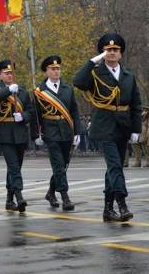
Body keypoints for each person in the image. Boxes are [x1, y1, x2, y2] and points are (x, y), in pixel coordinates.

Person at [73, 33, 142, 222]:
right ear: (103, 53)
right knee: (114, 165)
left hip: (123, 125)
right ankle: (122, 204)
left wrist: (136, 129)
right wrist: (91, 62)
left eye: (115, 50)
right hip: (104, 125)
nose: (112, 53)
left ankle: (107, 208)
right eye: (108, 50)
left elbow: (136, 103)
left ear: (121, 53)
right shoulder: (95, 73)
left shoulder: (128, 75)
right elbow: (77, 82)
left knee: (115, 167)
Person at [33, 55, 81, 211]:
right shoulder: (40, 91)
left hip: (66, 131)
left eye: (58, 69)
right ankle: (65, 197)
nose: (56, 71)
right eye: (53, 69)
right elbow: (36, 114)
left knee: (63, 165)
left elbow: (74, 111)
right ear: (46, 71)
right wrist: (36, 134)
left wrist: (77, 132)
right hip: (50, 131)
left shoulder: (67, 89)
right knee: (58, 165)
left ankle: (50, 192)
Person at [0, 60, 35, 212]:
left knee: (15, 167)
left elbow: (31, 110)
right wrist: (8, 91)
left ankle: (9, 199)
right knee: (14, 167)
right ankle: (19, 197)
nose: (10, 75)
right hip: (5, 133)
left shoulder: (21, 90)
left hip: (20, 132)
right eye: (7, 73)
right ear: (0, 75)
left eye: (11, 73)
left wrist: (23, 116)